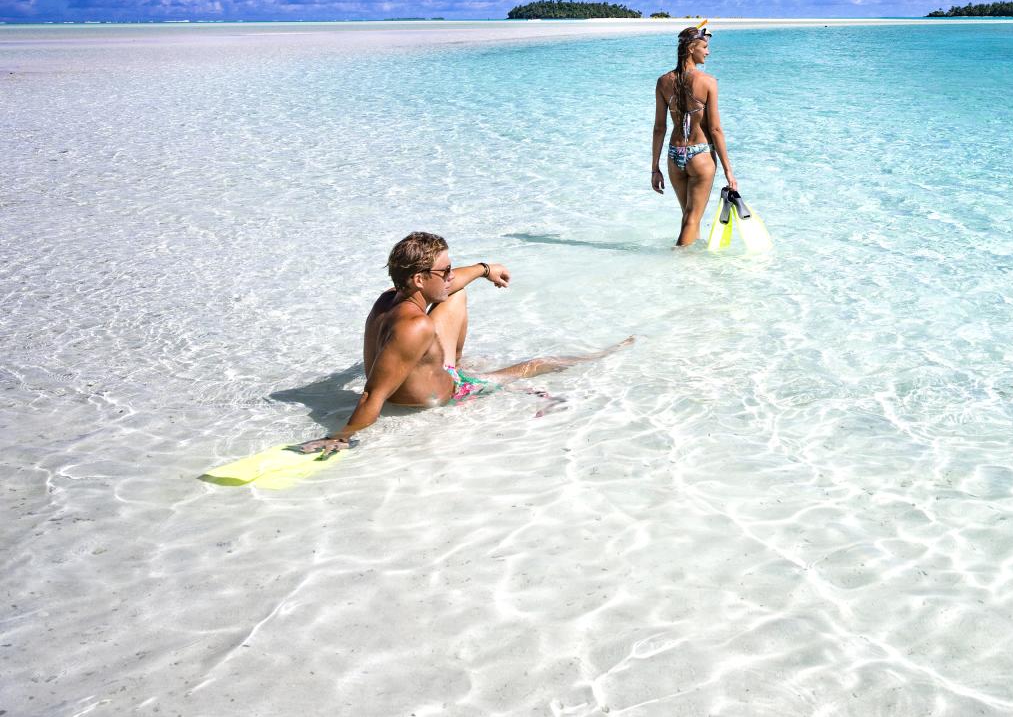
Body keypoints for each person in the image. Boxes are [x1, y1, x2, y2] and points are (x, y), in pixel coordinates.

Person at [297, 232, 632, 453]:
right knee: (537, 364)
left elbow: (452, 285)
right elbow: (372, 395)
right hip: (436, 397)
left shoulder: (389, 299)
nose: (450, 275)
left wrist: (486, 269)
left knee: (455, 297)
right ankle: (602, 355)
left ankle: (451, 364)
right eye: (444, 271)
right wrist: (339, 436)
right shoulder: (415, 328)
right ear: (418, 279)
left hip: (415, 363)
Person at [652, 23, 738, 246]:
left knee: (689, 216)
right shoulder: (708, 82)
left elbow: (659, 128)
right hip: (700, 155)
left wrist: (655, 168)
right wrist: (729, 170)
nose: (708, 52)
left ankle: (690, 271)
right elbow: (716, 129)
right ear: (691, 48)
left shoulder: (663, 82)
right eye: (705, 47)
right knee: (692, 217)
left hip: (674, 156)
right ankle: (677, 264)